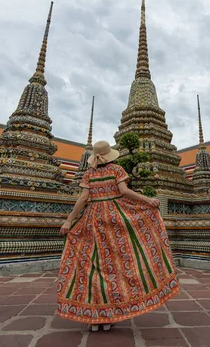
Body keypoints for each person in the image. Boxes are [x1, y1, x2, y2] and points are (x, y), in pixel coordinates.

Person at [56, 140, 179, 331]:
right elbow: (124, 191)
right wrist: (148, 200)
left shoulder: (89, 173)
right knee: (117, 266)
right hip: (115, 219)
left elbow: (83, 198)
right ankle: (112, 313)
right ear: (109, 155)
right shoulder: (117, 170)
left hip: (93, 220)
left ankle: (95, 317)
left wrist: (69, 221)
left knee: (92, 267)